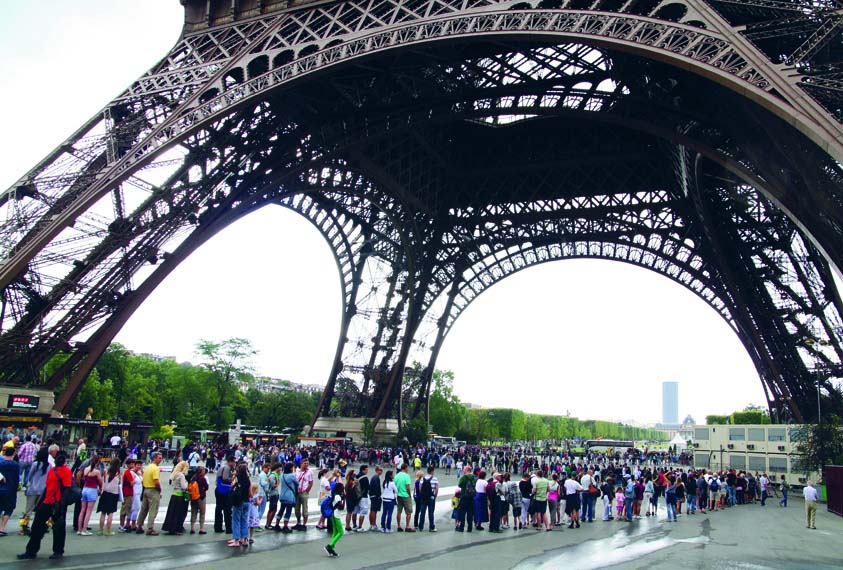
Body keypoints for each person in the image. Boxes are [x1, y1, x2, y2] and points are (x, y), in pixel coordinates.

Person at [17, 452, 72, 560]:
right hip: (47, 502)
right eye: (58, 458)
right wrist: (40, 503)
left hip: (57, 503)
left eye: (62, 458)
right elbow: (47, 487)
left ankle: (58, 551)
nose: (59, 460)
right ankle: (31, 551)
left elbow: (66, 489)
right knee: (37, 527)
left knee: (58, 528)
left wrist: (61, 506)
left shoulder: (66, 471)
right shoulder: (52, 470)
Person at [20, 447, 50, 535]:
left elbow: (29, 476)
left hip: (33, 489)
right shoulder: (49, 466)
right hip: (42, 490)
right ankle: (37, 526)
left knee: (28, 509)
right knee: (39, 509)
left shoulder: (35, 464)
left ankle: (24, 526)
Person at [136, 451, 163, 535]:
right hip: (153, 489)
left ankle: (139, 525)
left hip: (146, 489)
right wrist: (159, 489)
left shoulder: (148, 467)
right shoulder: (155, 468)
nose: (161, 460)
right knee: (153, 509)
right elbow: (156, 481)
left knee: (144, 509)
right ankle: (150, 528)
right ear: (154, 458)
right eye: (159, 458)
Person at [162, 460, 190, 535]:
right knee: (178, 513)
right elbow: (184, 487)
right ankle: (176, 528)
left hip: (174, 494)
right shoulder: (181, 475)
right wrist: (187, 484)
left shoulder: (174, 474)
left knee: (172, 512)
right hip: (180, 495)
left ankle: (169, 527)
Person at [77, 455, 102, 536]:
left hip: (85, 489)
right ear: (97, 462)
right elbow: (100, 481)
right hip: (92, 489)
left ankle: (79, 529)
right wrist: (101, 489)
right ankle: (84, 529)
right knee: (88, 511)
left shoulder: (86, 469)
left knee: (82, 510)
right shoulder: (97, 471)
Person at [228, 463, 251, 547]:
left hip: (238, 501)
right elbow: (250, 492)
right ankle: (245, 539)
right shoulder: (248, 480)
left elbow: (232, 486)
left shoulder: (237, 478)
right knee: (244, 520)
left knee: (236, 520)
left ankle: (236, 540)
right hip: (247, 501)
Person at [96, 459, 121, 535]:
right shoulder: (118, 473)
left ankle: (100, 530)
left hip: (105, 493)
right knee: (110, 513)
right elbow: (120, 483)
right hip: (113, 494)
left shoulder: (106, 471)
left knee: (103, 512)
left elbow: (104, 480)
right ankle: (108, 530)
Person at [0, 446, 20, 536]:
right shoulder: (15, 465)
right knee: (9, 509)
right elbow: (17, 479)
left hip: (1, 488)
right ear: (13, 454)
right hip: (11, 489)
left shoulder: (1, 463)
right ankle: (2, 528)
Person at [214, 456, 235, 534]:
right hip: (225, 490)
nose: (234, 464)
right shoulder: (227, 468)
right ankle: (228, 528)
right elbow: (225, 478)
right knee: (227, 509)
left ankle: (218, 527)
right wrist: (232, 478)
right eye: (233, 462)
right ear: (230, 461)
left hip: (218, 488)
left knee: (219, 508)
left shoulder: (222, 467)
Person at [324, 480, 345, 557]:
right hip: (336, 515)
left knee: (335, 532)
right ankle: (330, 546)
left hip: (332, 514)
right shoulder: (338, 496)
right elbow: (341, 507)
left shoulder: (334, 494)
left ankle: (331, 548)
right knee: (341, 532)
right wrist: (344, 499)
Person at [275, 462, 297, 532]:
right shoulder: (291, 476)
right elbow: (297, 483)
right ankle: (285, 526)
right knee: (288, 511)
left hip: (282, 495)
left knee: (281, 510)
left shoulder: (282, 475)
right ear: (291, 468)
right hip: (289, 496)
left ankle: (277, 524)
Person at [417, 465, 439, 532]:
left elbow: (420, 488)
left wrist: (423, 494)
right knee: (431, 512)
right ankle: (431, 527)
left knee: (422, 512)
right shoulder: (435, 479)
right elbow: (436, 489)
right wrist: (434, 496)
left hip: (424, 498)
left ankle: (420, 526)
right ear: (432, 471)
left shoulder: (422, 479)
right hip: (431, 497)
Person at [293, 458, 313, 530]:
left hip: (304, 491)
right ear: (301, 464)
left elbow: (311, 482)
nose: (306, 465)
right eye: (305, 463)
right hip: (297, 492)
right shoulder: (297, 471)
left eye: (307, 463)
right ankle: (298, 522)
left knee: (305, 509)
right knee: (297, 509)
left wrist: (307, 490)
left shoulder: (309, 472)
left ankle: (304, 524)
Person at [394, 463, 415, 532]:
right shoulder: (407, 476)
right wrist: (410, 495)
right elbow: (408, 487)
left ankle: (399, 525)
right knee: (408, 512)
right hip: (405, 495)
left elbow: (395, 485)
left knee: (399, 511)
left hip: (398, 495)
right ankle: (407, 526)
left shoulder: (396, 476)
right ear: (405, 468)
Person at [189, 466, 209, 534]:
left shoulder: (193, 478)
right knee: (202, 513)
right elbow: (206, 487)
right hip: (201, 497)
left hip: (193, 497)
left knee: (193, 512)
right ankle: (201, 528)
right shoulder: (203, 479)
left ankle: (192, 527)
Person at [457, 466, 476, 532]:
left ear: (467, 470)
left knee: (462, 512)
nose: (463, 470)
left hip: (464, 496)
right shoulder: (474, 477)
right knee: (470, 513)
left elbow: (459, 485)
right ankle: (469, 527)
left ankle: (461, 527)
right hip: (471, 497)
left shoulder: (464, 477)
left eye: (464, 469)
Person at [353, 465, 371, 531]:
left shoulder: (356, 476)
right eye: (366, 469)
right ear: (363, 470)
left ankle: (354, 525)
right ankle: (360, 527)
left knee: (354, 511)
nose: (367, 471)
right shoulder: (365, 478)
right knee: (362, 512)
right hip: (363, 496)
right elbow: (367, 488)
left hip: (356, 496)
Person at [368, 465, 382, 532]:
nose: (381, 472)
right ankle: (373, 524)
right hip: (375, 496)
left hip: (372, 496)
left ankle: (371, 524)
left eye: (381, 470)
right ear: (376, 470)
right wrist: (378, 495)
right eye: (380, 470)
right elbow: (376, 488)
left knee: (372, 510)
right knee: (374, 510)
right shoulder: (376, 477)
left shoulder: (374, 477)